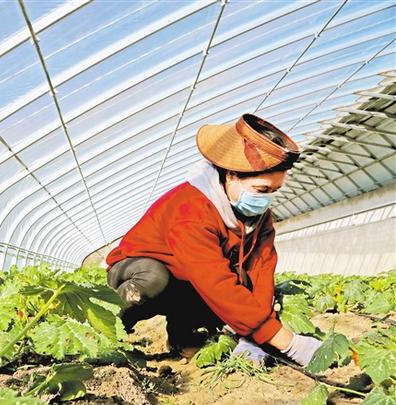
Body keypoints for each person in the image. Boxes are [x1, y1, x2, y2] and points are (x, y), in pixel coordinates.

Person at [106, 113, 322, 367]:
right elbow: (214, 281)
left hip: (187, 275)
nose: (266, 199)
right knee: (155, 278)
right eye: (262, 190)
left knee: (234, 283)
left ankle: (182, 336)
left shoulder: (259, 218)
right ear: (231, 175)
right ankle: (109, 328)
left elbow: (261, 272)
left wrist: (253, 337)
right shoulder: (191, 209)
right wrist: (287, 342)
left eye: (274, 191)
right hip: (133, 271)